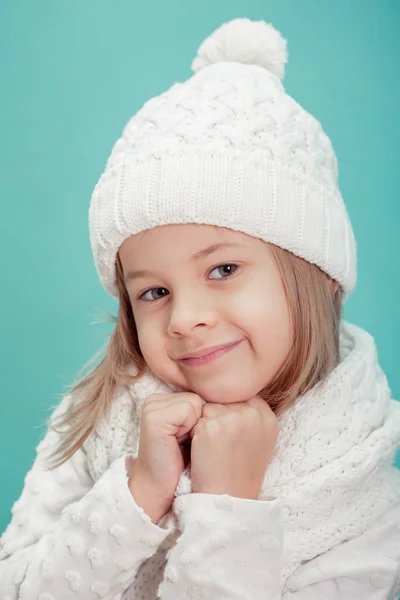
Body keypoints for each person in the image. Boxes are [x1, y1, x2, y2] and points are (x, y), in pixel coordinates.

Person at [1, 16, 400, 600]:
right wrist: (137, 494)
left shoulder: (364, 500)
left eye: (223, 270)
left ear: (313, 272)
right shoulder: (95, 420)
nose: (184, 318)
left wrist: (228, 509)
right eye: (154, 292)